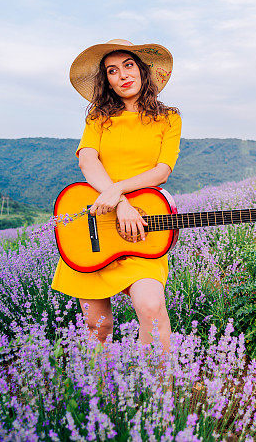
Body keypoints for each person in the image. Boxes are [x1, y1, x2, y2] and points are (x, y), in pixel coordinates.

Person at [51, 39, 181, 352]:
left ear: (142, 70)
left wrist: (119, 191)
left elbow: (161, 172)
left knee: (151, 310)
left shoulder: (168, 118)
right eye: (112, 70)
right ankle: (104, 394)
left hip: (142, 235)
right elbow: (87, 159)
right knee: (98, 326)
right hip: (95, 230)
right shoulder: (98, 118)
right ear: (106, 80)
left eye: (128, 65)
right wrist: (120, 204)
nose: (122, 75)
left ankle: (161, 394)